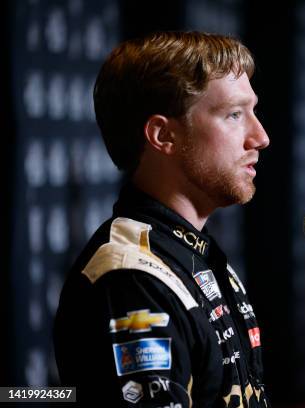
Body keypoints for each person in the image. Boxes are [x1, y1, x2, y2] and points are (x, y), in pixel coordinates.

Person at [53, 32, 270, 407]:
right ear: (162, 135)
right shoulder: (131, 278)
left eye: (252, 111)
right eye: (234, 115)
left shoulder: (190, 251)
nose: (260, 137)